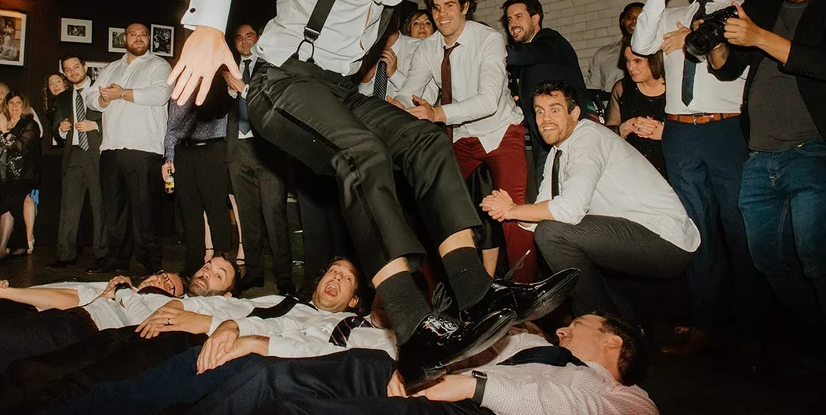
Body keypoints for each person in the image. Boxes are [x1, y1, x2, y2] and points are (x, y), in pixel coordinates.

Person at [167, 0, 576, 385]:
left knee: (426, 143)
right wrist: (208, 26)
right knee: (362, 156)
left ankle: (476, 294)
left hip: (336, 90)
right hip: (280, 84)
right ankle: (412, 331)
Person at [0, 259, 239, 413]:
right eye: (206, 265)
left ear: (224, 293)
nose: (207, 271)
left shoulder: (199, 311)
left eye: (217, 275)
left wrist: (210, 318)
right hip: (66, 324)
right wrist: (3, 290)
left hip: (83, 341)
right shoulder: (124, 288)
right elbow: (66, 295)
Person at [630, 0, 768, 356]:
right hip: (681, 134)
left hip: (727, 133)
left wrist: (691, 35)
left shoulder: (747, 10)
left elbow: (739, 53)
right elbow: (640, 46)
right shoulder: (670, 14)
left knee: (741, 233)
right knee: (698, 231)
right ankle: (704, 325)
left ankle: (754, 333)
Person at [36, 257, 397, 415]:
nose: (334, 279)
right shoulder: (287, 303)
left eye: (345, 278)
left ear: (355, 299)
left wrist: (252, 340)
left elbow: (331, 364)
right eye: (331, 272)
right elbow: (242, 313)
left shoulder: (370, 338)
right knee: (120, 393)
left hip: (270, 378)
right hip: (221, 352)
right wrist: (226, 326)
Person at [483, 81, 699, 321]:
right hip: (636, 235)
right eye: (539, 111)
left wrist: (513, 210)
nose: (545, 119)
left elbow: (570, 211)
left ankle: (597, 321)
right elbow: (538, 220)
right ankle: (616, 324)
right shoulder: (557, 153)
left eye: (555, 109)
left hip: (665, 239)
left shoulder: (589, 137)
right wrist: (509, 210)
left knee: (552, 234)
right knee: (548, 231)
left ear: (574, 113)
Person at [708, 0, 826, 348]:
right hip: (759, 157)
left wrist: (759, 36)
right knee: (769, 260)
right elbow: (733, 65)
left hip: (812, 152)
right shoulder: (768, 5)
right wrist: (718, 46)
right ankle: (815, 338)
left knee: (816, 259)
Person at [184, 313, 656, 415]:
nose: (566, 327)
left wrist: (474, 388)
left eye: (583, 323)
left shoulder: (628, 400)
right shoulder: (525, 344)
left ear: (614, 341)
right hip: (427, 384)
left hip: (470, 411)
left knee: (292, 411)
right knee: (267, 376)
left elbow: (573, 410)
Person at [397, 0, 529, 281]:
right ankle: (443, 288)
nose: (442, 14)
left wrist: (437, 112)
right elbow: (411, 90)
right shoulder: (427, 48)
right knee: (434, 207)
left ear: (465, 7)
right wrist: (398, 104)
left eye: (450, 6)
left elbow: (488, 101)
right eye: (436, 7)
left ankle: (527, 292)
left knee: (513, 213)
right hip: (459, 136)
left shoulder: (488, 39)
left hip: (500, 131)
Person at [86, 22, 173, 274]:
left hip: (144, 148)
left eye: (143, 35)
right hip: (111, 146)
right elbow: (91, 96)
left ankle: (152, 262)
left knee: (145, 210)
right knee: (114, 211)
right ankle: (117, 260)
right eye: (133, 34)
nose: (138, 38)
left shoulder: (158, 65)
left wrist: (122, 94)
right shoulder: (111, 67)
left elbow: (160, 94)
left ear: (149, 39)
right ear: (124, 38)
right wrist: (103, 98)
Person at [224, 23, 295, 294]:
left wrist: (243, 88)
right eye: (239, 38)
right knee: (248, 215)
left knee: (274, 215)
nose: (244, 42)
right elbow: (216, 108)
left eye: (249, 36)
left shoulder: (271, 66)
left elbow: (274, 101)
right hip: (237, 150)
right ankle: (253, 273)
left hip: (266, 151)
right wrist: (229, 91)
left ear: (259, 39)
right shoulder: (228, 68)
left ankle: (284, 276)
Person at [502, 0, 589, 178]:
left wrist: (482, 48)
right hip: (545, 140)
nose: (512, 24)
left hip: (570, 138)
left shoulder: (550, 40)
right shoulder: (529, 57)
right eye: (509, 19)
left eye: (519, 17)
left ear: (535, 18)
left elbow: (517, 56)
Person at [164, 75, 234, 276]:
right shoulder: (180, 85)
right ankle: (193, 265)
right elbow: (172, 126)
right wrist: (169, 156)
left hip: (212, 151)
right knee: (189, 211)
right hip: (183, 153)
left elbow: (220, 112)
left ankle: (222, 267)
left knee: (216, 210)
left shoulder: (219, 83)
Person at [48, 57, 107, 270]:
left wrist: (97, 125)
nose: (72, 72)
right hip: (72, 155)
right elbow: (55, 125)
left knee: (100, 206)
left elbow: (115, 118)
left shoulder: (101, 91)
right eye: (67, 70)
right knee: (69, 208)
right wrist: (60, 129)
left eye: (76, 67)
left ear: (85, 67)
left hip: (96, 154)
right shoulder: (62, 98)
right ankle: (65, 256)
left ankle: (103, 254)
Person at [0, 91, 41, 259]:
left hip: (24, 175)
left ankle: (5, 247)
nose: (15, 106)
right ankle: (10, 246)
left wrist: (4, 132)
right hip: (3, 176)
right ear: (6, 106)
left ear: (23, 106)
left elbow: (19, 146)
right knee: (5, 207)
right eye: (11, 103)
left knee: (10, 206)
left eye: (18, 103)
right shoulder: (3, 122)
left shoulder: (29, 123)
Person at [604, 43, 667, 177]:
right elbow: (605, 136)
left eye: (637, 61)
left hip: (672, 165)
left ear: (654, 59)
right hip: (635, 168)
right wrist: (624, 128)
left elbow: (696, 134)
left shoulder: (674, 85)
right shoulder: (622, 88)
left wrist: (666, 134)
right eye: (627, 60)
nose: (630, 67)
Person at [586, 2, 643, 95]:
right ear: (622, 21)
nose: (634, 21)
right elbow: (592, 89)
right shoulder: (603, 54)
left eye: (640, 18)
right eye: (630, 17)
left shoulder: (659, 51)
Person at [44, 72, 71, 147]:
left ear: (65, 83)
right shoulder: (52, 105)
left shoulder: (73, 98)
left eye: (58, 81)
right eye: (51, 84)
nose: (55, 86)